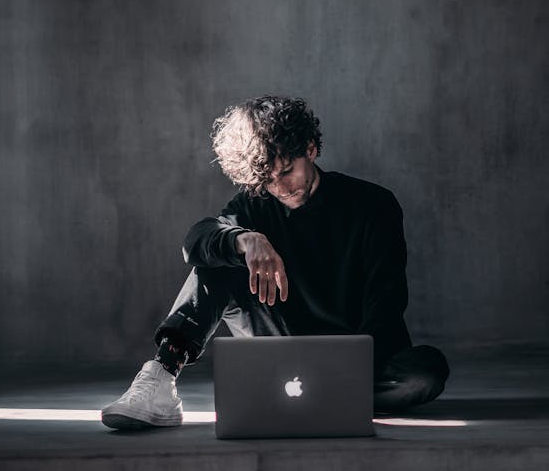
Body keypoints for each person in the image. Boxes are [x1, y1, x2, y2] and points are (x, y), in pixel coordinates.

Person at [101, 96, 450, 429]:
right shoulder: (255, 205)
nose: (280, 188)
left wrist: (352, 364)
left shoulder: (373, 206)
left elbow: (386, 305)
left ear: (310, 149)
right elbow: (196, 242)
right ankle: (160, 378)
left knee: (424, 373)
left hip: (357, 356)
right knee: (219, 259)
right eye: (266, 180)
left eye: (286, 171)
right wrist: (245, 240)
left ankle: (319, 394)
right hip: (279, 348)